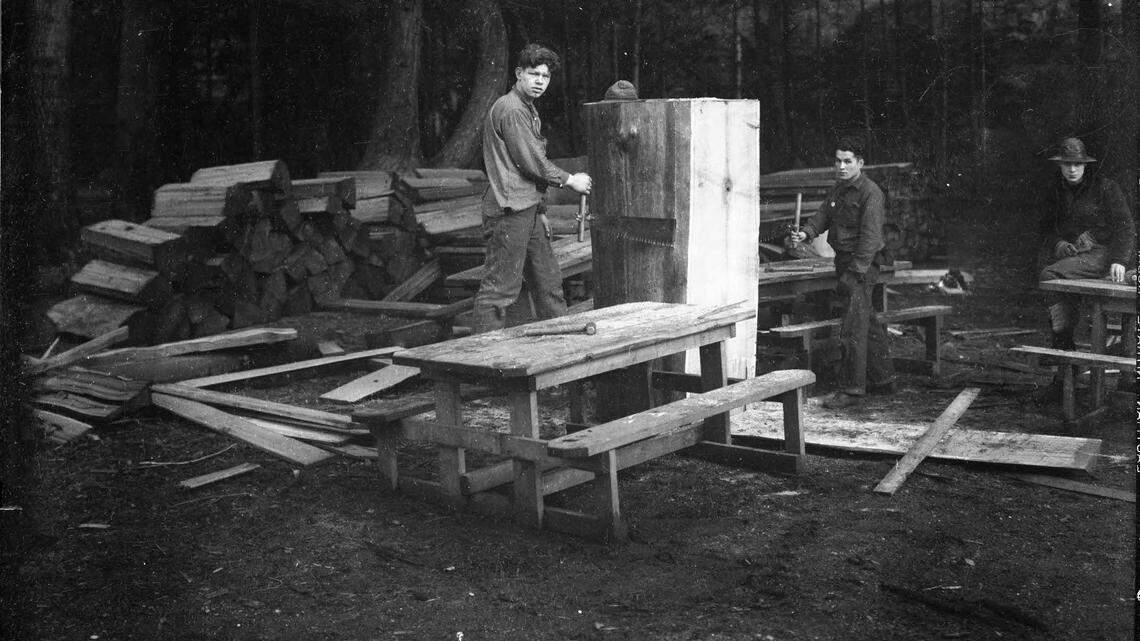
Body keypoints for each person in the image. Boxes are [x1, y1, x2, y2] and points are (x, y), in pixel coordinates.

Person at [472, 44, 592, 333]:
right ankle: (480, 361)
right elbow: (531, 163)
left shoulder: (526, 108)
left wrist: (540, 210)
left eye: (545, 76)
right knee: (499, 292)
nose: (540, 81)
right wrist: (570, 180)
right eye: (533, 74)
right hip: (509, 210)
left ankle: (562, 356)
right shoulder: (512, 109)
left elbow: (524, 171)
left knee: (548, 282)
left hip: (526, 208)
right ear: (518, 74)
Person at [788, 137, 895, 408]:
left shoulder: (871, 192)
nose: (842, 166)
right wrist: (806, 233)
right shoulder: (839, 189)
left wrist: (854, 273)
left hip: (860, 266)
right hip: (845, 263)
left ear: (860, 163)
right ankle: (883, 380)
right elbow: (823, 215)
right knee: (867, 323)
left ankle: (852, 389)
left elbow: (870, 239)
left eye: (848, 161)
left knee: (852, 328)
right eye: (838, 161)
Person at [1034, 137, 1134, 398]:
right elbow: (1045, 228)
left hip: (1104, 255)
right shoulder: (1055, 190)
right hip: (1074, 258)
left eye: (1077, 164)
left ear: (1085, 165)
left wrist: (1119, 260)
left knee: (1050, 275)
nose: (1072, 169)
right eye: (1067, 164)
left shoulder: (1105, 187)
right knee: (1052, 279)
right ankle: (1066, 364)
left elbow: (1125, 226)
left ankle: (1068, 364)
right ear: (1060, 165)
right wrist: (1059, 244)